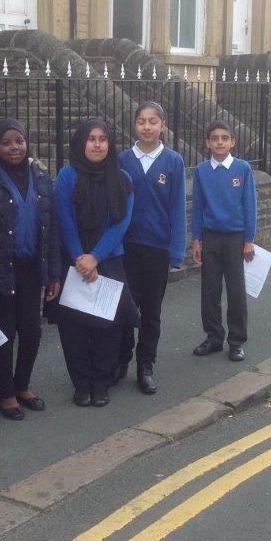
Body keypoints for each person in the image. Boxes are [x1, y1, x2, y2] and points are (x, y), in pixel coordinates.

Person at [0, 119, 61, 421]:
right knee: (4, 335)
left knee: (33, 332)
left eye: (19, 141)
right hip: (1, 270)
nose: (14, 147)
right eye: (7, 142)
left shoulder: (41, 177)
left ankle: (22, 385)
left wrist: (54, 274)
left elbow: (52, 228)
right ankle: (6, 393)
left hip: (32, 269)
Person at [53, 119, 136, 407]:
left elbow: (121, 222)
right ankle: (82, 384)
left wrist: (95, 257)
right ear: (81, 143)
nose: (97, 144)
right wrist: (80, 258)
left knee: (107, 325)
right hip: (74, 261)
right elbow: (63, 219)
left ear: (110, 144)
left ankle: (101, 383)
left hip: (108, 259)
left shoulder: (122, 178)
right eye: (91, 139)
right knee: (74, 327)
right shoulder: (67, 175)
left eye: (102, 139)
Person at [115, 101, 187, 394]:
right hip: (125, 247)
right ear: (135, 125)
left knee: (151, 312)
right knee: (124, 308)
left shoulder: (173, 161)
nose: (147, 126)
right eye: (142, 121)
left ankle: (145, 366)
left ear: (163, 126)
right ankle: (120, 361)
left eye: (153, 121)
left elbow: (177, 207)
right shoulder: (121, 160)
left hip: (157, 248)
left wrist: (177, 249)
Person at [190, 121, 258, 362]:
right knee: (209, 290)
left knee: (236, 290)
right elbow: (198, 207)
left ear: (232, 142)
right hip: (210, 236)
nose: (219, 142)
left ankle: (237, 340)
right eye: (214, 138)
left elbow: (250, 206)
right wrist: (196, 239)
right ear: (207, 143)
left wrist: (249, 240)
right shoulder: (201, 171)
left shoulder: (242, 169)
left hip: (235, 238)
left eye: (224, 138)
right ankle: (214, 337)